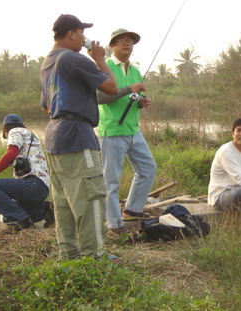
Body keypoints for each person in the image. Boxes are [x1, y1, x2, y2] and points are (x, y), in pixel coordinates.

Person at [40, 14, 119, 259]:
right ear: (72, 34)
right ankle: (94, 255)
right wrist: (99, 59)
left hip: (54, 135)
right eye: (82, 32)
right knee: (90, 196)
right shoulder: (74, 59)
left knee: (63, 200)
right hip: (77, 135)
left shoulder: (47, 63)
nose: (85, 37)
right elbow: (112, 87)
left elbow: (46, 107)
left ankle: (69, 255)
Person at [97, 28, 156, 233]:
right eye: (121, 40)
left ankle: (132, 209)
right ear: (112, 45)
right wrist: (130, 89)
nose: (127, 43)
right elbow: (99, 97)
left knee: (148, 169)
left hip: (134, 131)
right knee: (110, 182)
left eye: (130, 40)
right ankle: (114, 223)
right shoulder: (105, 67)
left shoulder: (135, 70)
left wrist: (141, 102)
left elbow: (133, 100)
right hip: (112, 132)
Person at [0, 114, 53, 234]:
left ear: (5, 129)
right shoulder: (30, 136)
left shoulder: (15, 131)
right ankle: (44, 209)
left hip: (32, 183)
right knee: (7, 217)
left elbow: (11, 153)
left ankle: (20, 220)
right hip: (41, 189)